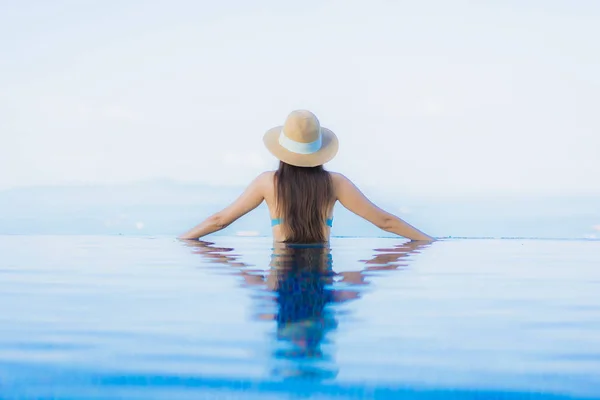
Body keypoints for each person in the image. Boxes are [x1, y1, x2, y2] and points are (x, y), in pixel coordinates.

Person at [179, 110, 434, 243]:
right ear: (318, 148)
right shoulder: (335, 183)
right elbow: (385, 221)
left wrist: (181, 240)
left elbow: (220, 220)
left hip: (281, 268)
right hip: (321, 268)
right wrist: (429, 241)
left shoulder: (268, 183)